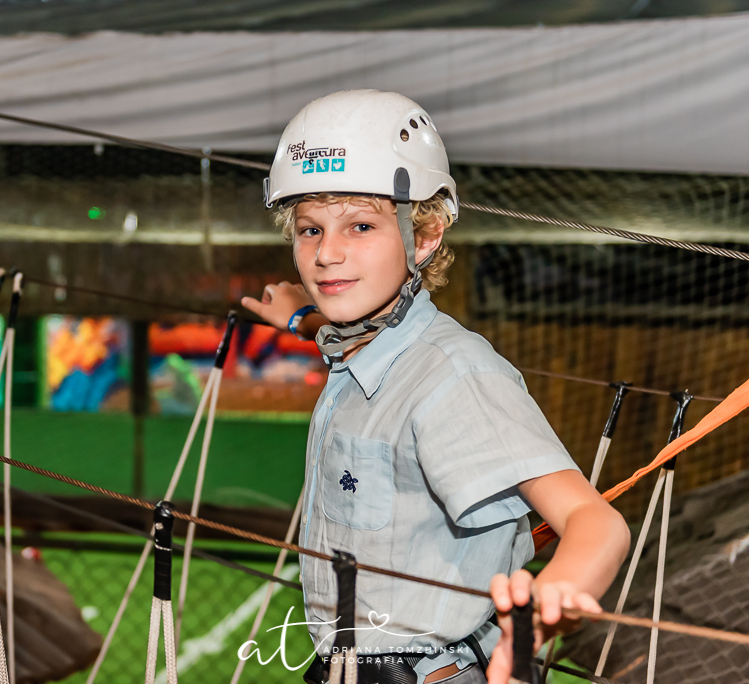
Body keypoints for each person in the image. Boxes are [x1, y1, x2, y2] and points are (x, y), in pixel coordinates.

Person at [242, 90, 629, 684]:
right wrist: (299, 321)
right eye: (308, 229)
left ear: (423, 237)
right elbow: (359, 338)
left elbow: (596, 522)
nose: (327, 254)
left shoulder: (454, 375)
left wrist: (550, 599)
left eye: (361, 226)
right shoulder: (361, 347)